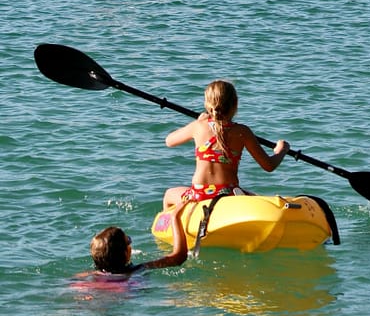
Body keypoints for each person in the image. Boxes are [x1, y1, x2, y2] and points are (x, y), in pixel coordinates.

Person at [161, 79, 291, 209]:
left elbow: (169, 141)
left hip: (199, 194)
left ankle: (173, 225)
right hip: (229, 193)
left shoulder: (198, 127)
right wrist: (281, 150)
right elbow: (269, 165)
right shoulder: (242, 131)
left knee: (168, 195)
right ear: (235, 104)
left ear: (207, 105)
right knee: (254, 196)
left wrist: (197, 122)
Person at [89, 208, 187, 277]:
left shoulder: (91, 275)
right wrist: (175, 217)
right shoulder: (137, 270)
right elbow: (179, 257)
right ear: (126, 253)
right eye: (128, 240)